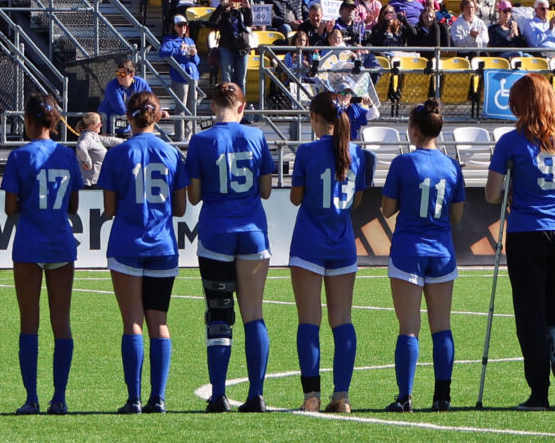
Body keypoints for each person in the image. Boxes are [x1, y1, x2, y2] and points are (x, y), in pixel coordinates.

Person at [485, 74, 555, 409]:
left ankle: (539, 392)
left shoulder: (510, 142)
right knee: (553, 307)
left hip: (526, 233)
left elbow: (491, 194)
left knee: (530, 313)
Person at [175, 82, 274, 414]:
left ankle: (218, 396)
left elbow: (193, 197)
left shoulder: (201, 140)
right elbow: (265, 190)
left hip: (216, 231)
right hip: (252, 232)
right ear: (241, 107)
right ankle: (256, 395)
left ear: (212, 106)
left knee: (219, 315)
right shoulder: (257, 136)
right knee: (253, 315)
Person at [289, 92, 374, 412]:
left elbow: (296, 198)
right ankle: (342, 396)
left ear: (314, 117)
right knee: (342, 320)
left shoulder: (307, 151)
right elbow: (357, 200)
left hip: (309, 243)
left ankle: (311, 396)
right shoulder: (358, 153)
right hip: (342, 242)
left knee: (309, 320)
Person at [380, 101, 465, 412]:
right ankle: (443, 397)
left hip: (408, 251)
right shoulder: (452, 166)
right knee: (441, 325)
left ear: (413, 130)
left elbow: (387, 210)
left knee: (409, 327)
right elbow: (457, 215)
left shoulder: (403, 164)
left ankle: (404, 397)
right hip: (441, 251)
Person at [100, 92, 182, 415]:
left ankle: (133, 399)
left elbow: (109, 209)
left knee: (132, 322)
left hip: (126, 244)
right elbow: (180, 208)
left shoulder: (117, 154)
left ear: (128, 116)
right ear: (158, 116)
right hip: (163, 245)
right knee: (159, 322)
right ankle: (158, 398)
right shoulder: (172, 153)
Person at [4, 94, 84, 415]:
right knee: (61, 323)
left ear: (28, 120)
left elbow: (10, 208)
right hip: (60, 243)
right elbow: (74, 206)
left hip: (29, 244)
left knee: (29, 323)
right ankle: (59, 398)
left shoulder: (19, 156)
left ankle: (31, 398)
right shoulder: (66, 155)